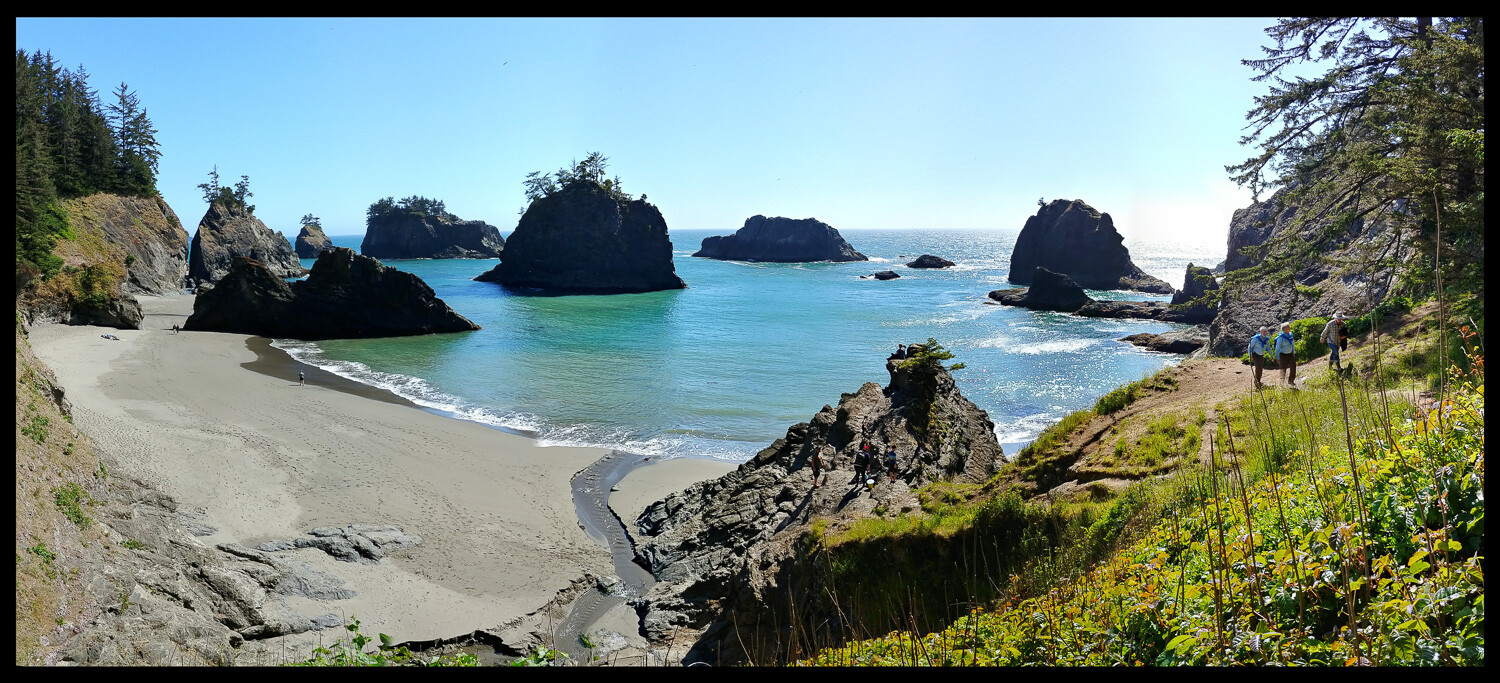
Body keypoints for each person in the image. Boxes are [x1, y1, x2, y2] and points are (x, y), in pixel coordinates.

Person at [1274, 322, 1297, 387]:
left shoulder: (1290, 334)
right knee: (1283, 369)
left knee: (1293, 366)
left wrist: (1293, 352)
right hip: (1283, 355)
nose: (1290, 327)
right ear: (1284, 329)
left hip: (1290, 354)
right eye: (1288, 326)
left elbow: (1292, 344)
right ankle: (1282, 383)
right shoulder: (1280, 338)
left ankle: (1291, 381)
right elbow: (1277, 348)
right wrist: (1278, 358)